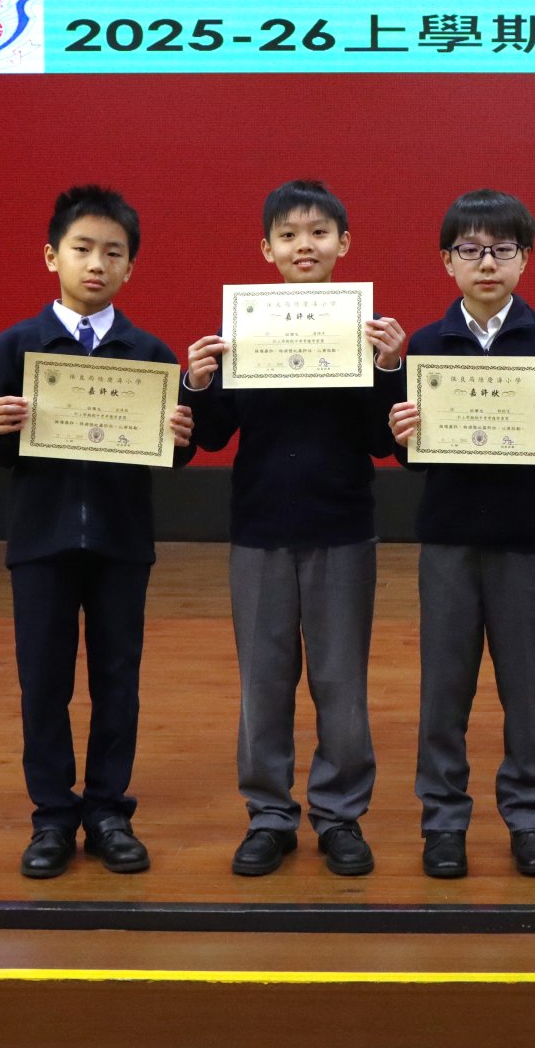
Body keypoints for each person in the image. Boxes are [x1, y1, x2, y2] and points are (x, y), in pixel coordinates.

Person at [0, 185, 195, 879]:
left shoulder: (148, 351)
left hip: (122, 542)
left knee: (118, 680)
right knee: (44, 683)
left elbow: (174, 451)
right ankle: (53, 816)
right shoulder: (18, 346)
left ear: (130, 268)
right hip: (41, 543)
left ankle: (109, 811)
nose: (97, 264)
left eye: (113, 253)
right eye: (82, 249)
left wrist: (182, 435)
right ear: (51, 256)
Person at [181, 180, 407, 878]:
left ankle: (340, 816)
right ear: (266, 249)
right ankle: (269, 816)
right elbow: (214, 434)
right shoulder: (244, 326)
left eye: (317, 233)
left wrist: (390, 369)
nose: (303, 246)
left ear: (344, 243)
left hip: (342, 526)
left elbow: (383, 440)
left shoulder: (369, 332)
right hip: (260, 527)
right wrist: (198, 382)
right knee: (264, 684)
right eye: (288, 235)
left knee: (341, 684)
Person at [386, 188, 535, 879]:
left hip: (528, 541)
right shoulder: (427, 344)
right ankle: (443, 821)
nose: (486, 263)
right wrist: (401, 435)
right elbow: (410, 454)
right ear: (447, 261)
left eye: (502, 250)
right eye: (470, 250)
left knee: (529, 692)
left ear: (524, 259)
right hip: (448, 542)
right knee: (443, 692)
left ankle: (531, 818)